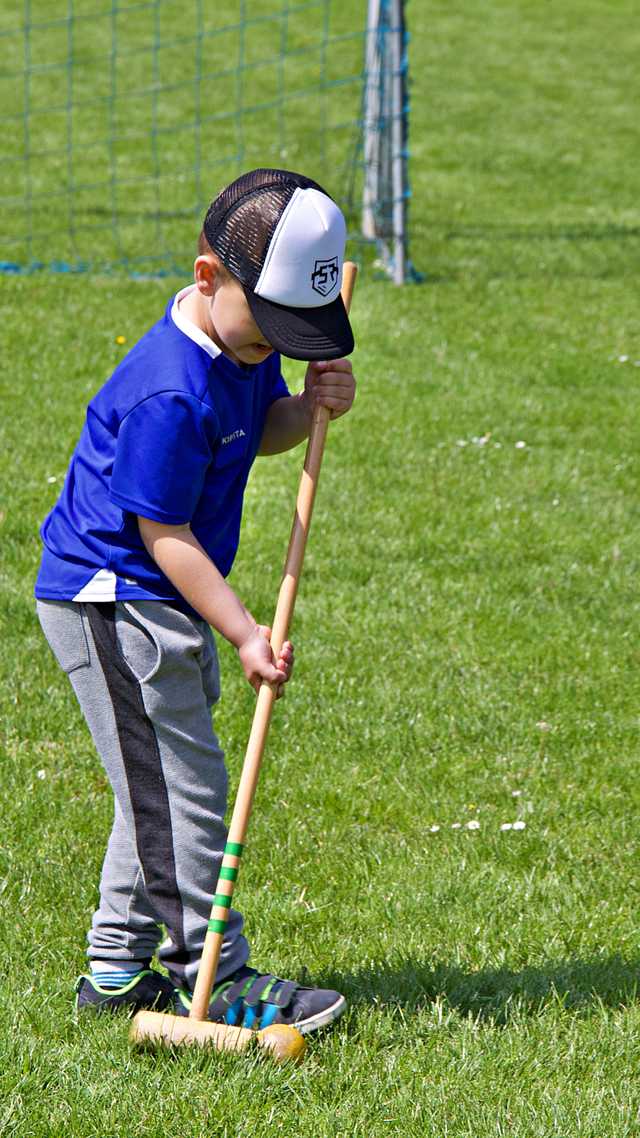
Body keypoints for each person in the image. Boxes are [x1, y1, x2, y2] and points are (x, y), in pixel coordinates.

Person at [35, 168, 356, 1035]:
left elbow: (257, 434)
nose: (274, 352)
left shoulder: (240, 344)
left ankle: (113, 969)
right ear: (209, 277)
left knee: (154, 786)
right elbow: (162, 535)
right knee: (188, 790)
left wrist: (310, 406)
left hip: (160, 593)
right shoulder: (170, 389)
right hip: (114, 597)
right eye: (271, 336)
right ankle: (208, 974)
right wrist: (247, 630)